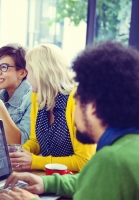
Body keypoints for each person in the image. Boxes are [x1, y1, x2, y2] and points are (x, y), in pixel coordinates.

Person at [0, 41, 139, 200]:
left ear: (92, 106)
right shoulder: (129, 148)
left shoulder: (111, 161)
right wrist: (47, 183)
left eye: (77, 101)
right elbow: (87, 182)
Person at [9, 44, 96, 172]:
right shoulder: (37, 96)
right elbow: (36, 140)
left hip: (74, 183)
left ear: (41, 73)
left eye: (29, 72)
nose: (26, 77)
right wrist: (21, 154)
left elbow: (84, 161)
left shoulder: (77, 100)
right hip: (49, 179)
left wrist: (35, 161)